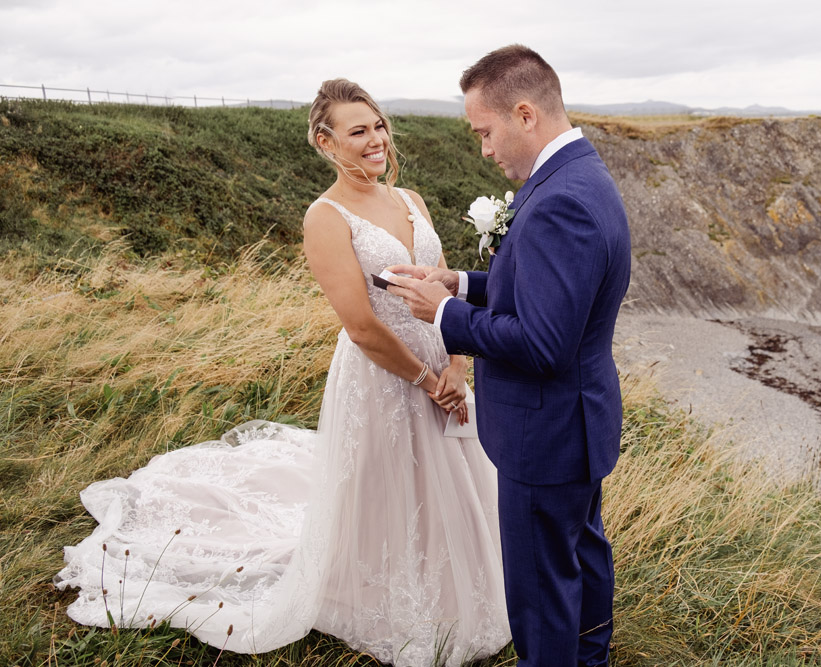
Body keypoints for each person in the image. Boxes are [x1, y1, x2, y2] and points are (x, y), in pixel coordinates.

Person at [55, 79, 511, 666]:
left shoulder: (412, 200)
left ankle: (463, 590)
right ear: (326, 142)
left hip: (441, 362)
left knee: (455, 482)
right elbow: (362, 325)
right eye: (358, 132)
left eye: (378, 126)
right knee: (389, 487)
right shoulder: (325, 218)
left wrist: (454, 363)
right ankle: (385, 595)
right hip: (382, 376)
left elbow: (445, 286)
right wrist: (426, 382)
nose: (376, 140)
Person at [388, 45, 632, 667]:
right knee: (581, 553)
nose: (484, 150)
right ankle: (589, 658)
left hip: (543, 430)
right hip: (574, 422)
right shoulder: (576, 176)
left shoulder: (560, 201)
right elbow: (548, 292)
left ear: (524, 114)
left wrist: (443, 318)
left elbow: (544, 344)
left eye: (485, 132)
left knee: (539, 587)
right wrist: (461, 285)